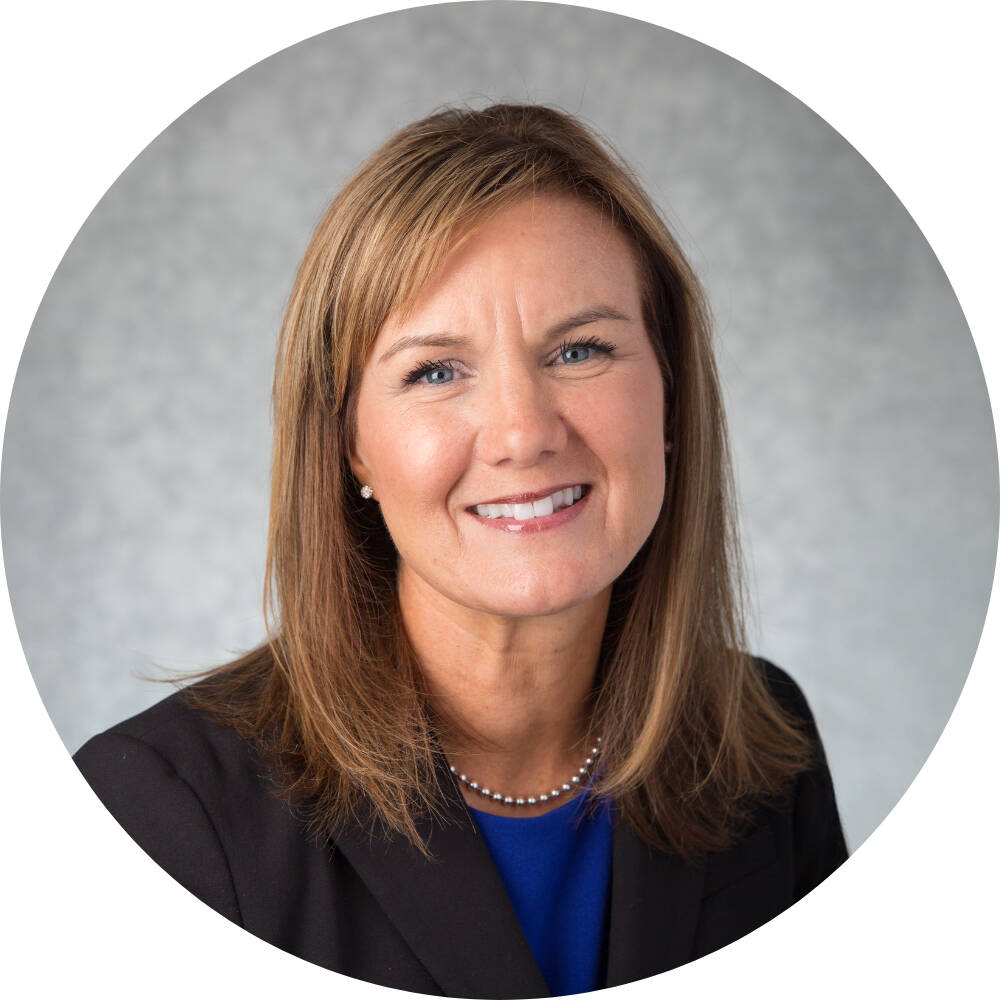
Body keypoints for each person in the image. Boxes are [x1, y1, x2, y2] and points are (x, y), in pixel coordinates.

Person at [74, 103, 847, 998]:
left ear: (670, 396)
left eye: (582, 348)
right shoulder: (165, 812)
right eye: (436, 371)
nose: (523, 433)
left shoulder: (762, 740)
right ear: (350, 444)